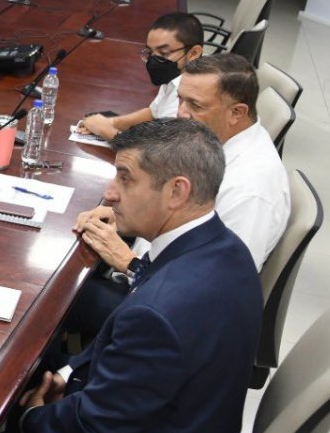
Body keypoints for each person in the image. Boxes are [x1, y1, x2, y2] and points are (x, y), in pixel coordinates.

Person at [0, 119, 262, 433]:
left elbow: (95, 427)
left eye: (125, 178)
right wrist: (70, 378)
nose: (110, 192)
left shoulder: (159, 314)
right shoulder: (225, 248)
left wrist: (33, 415)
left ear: (177, 192)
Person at [78, 53, 290, 273]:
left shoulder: (249, 192)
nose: (181, 113)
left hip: (157, 292)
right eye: (180, 99)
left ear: (236, 113)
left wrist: (128, 262)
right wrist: (129, 213)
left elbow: (216, 284)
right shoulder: (215, 143)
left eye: (196, 106)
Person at [78, 12, 204, 141]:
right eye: (150, 52)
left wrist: (103, 129)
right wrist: (110, 122)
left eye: (163, 53)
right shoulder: (175, 74)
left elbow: (157, 152)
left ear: (193, 53)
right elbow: (152, 112)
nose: (154, 61)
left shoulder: (195, 95)